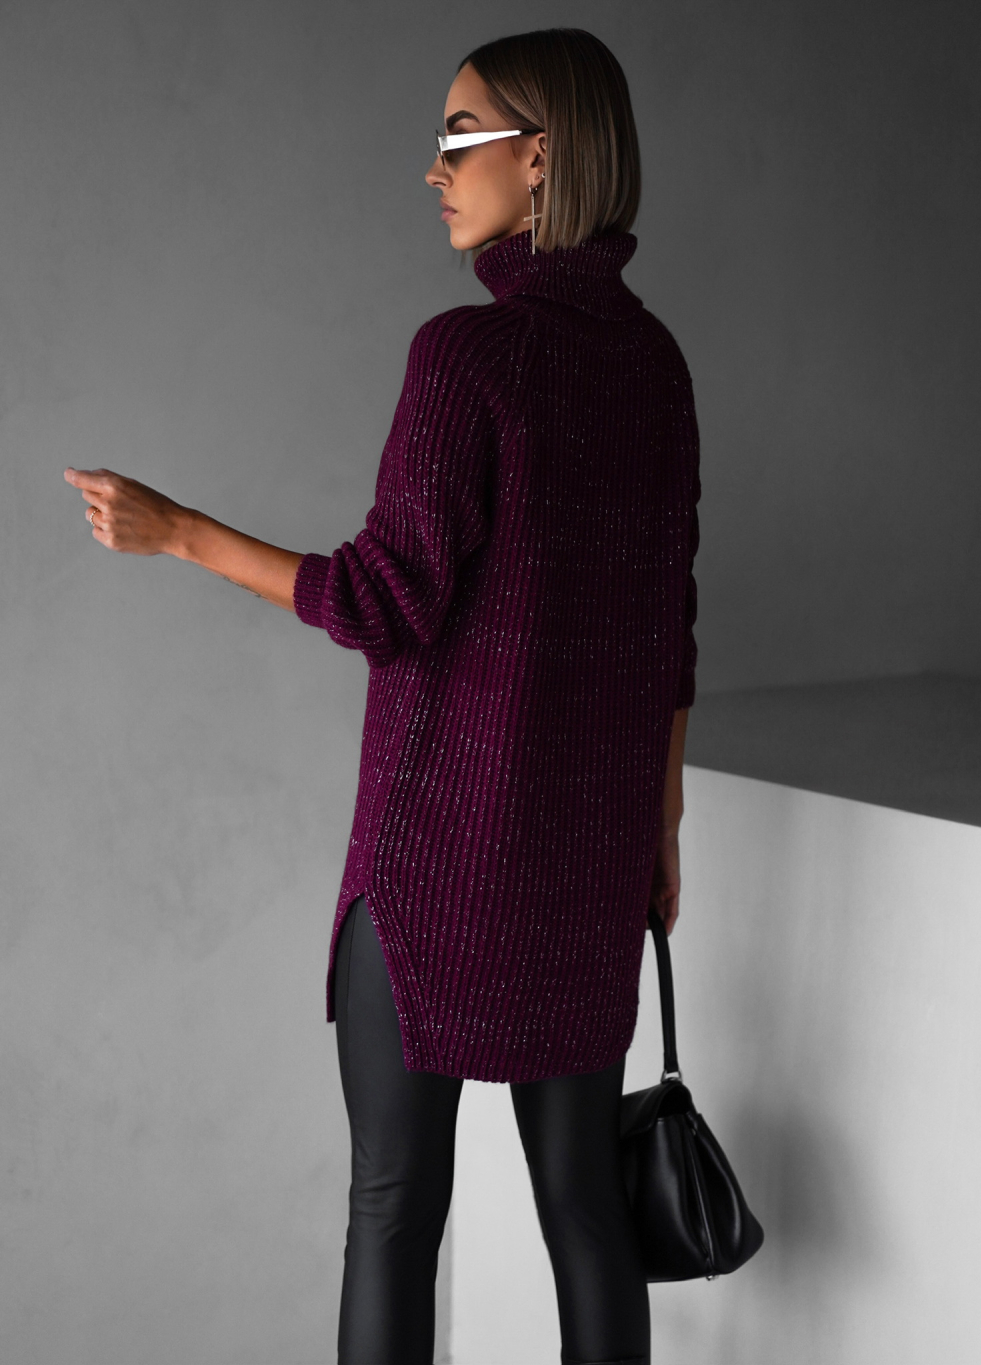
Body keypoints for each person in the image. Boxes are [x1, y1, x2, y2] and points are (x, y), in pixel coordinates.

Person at [63, 26, 700, 1365]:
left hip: (435, 872)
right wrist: (659, 830)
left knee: (395, 1213)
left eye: (460, 138)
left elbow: (380, 601)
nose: (435, 169)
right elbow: (668, 635)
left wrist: (180, 532)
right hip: (589, 872)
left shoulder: (467, 357)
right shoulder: (656, 367)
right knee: (586, 1212)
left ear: (541, 156)